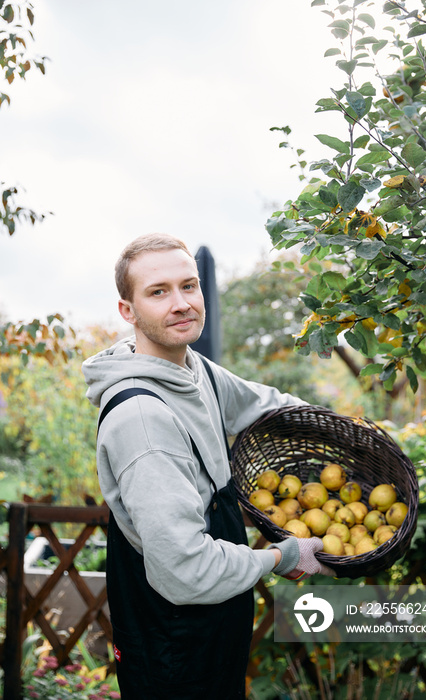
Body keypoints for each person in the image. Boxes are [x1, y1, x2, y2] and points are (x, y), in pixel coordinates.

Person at [82, 233, 334, 700]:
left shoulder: (193, 369)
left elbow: (269, 407)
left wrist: (344, 431)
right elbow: (184, 569)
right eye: (158, 292)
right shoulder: (142, 420)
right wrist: (282, 556)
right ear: (128, 311)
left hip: (216, 620)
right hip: (173, 640)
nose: (181, 303)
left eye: (189, 286)